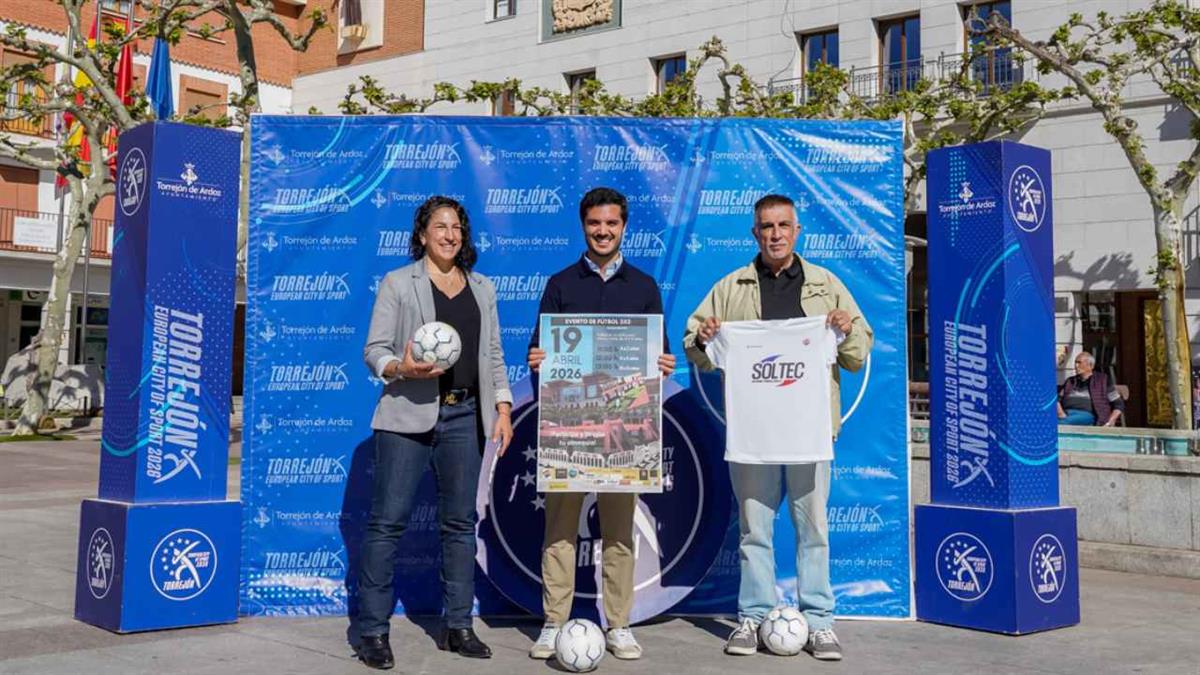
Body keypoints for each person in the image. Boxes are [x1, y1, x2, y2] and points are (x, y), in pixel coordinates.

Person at [683, 194, 872, 662]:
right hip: (754, 436)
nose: (775, 234)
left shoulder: (826, 286)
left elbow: (859, 353)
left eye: (783, 225)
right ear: (755, 233)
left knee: (814, 532)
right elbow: (694, 344)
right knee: (754, 533)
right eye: (766, 226)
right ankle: (752, 616)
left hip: (809, 432)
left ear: (797, 229)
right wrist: (704, 339)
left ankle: (820, 622)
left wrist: (846, 330)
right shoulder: (732, 287)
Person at [352, 196, 514, 670]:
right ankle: (373, 632)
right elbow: (373, 350)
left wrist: (501, 407)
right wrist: (398, 366)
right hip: (407, 414)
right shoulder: (398, 283)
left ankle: (459, 626)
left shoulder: (482, 288)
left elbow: (494, 355)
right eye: (439, 227)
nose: (449, 234)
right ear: (422, 234)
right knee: (387, 525)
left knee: (461, 525)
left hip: (466, 417)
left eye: (457, 227)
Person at [525, 187, 675, 661]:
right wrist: (538, 358)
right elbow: (539, 352)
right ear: (583, 225)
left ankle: (619, 624)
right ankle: (553, 622)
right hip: (569, 429)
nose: (603, 231)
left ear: (623, 226)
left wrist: (663, 363)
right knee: (560, 531)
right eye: (595, 223)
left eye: (611, 223)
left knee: (618, 533)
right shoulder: (560, 284)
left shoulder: (644, 286)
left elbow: (659, 353)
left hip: (626, 432)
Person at [1057, 351, 1123, 426]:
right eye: (1075, 362)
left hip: (1086, 415)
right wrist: (1060, 413)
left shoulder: (1102, 380)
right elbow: (1057, 399)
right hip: (1066, 413)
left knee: (1060, 424)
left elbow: (1118, 404)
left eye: (1079, 362)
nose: (1076, 366)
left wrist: (1110, 421)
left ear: (1090, 366)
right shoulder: (1070, 381)